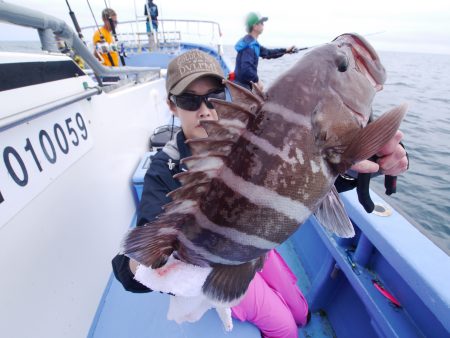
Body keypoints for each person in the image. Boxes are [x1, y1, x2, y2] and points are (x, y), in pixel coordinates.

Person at [112, 49, 409, 338]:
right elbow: (131, 268)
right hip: (213, 270)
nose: (204, 109)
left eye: (213, 96)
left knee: (300, 308)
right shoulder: (164, 167)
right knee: (285, 329)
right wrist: (148, 264)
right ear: (172, 105)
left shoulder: (257, 130)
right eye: (189, 99)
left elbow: (307, 182)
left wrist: (372, 164)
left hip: (259, 249)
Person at [234, 12, 296, 91]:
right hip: (242, 87)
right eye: (262, 23)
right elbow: (246, 70)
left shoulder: (253, 44)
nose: (263, 25)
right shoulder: (249, 46)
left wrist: (285, 51)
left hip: (244, 84)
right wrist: (257, 80)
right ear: (255, 26)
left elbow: (268, 53)